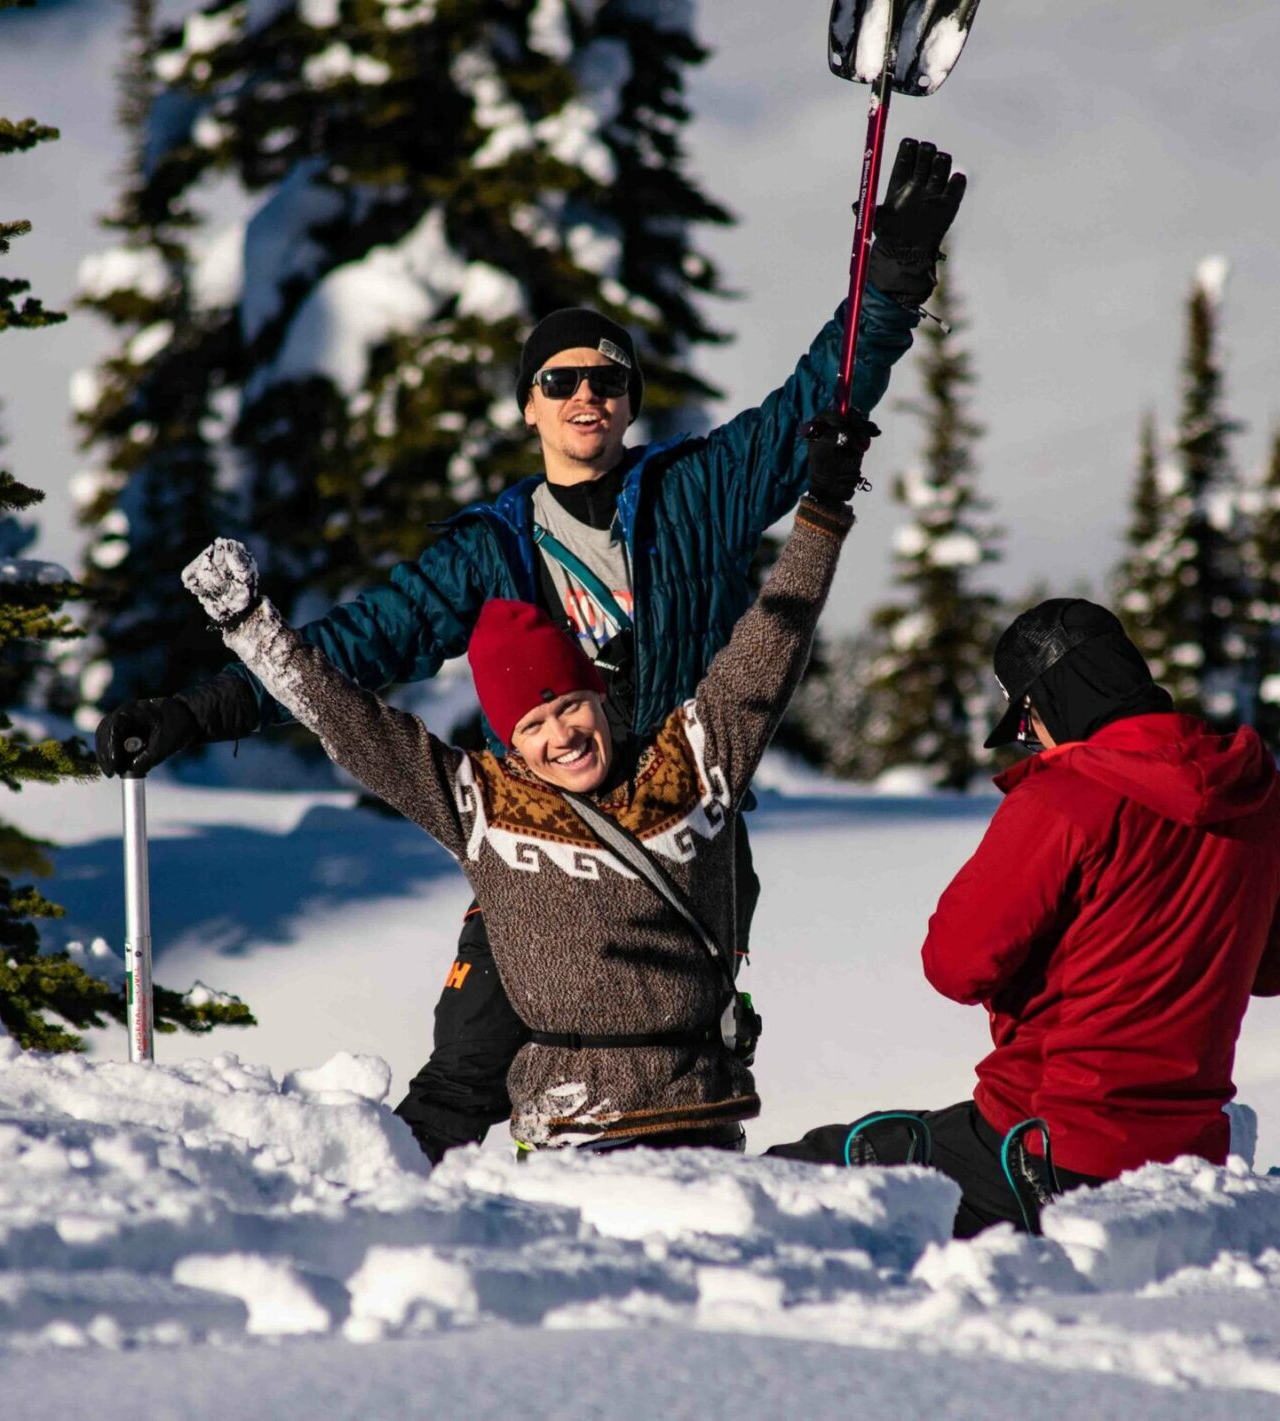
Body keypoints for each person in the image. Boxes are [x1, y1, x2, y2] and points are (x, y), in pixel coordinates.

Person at [94, 137, 965, 1163]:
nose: (585, 395)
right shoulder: (491, 551)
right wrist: (202, 710)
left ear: (628, 400)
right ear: (528, 405)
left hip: (672, 837)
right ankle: (410, 1237)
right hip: (538, 842)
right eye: (560, 379)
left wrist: (892, 280)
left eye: (605, 377)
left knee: (663, 1068)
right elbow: (354, 653)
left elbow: (814, 406)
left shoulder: (692, 493)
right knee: (465, 1067)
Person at [179, 411, 875, 1151]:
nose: (562, 735)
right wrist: (252, 629)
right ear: (509, 742)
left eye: (570, 705)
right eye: (534, 726)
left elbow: (773, 638)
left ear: (599, 696)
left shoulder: (693, 760)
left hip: (694, 1124)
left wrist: (823, 515)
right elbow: (353, 724)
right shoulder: (482, 800)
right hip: (569, 1138)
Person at [767, 599, 1280, 1236]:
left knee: (789, 1180)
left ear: (1052, 700)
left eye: (1026, 720)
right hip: (1187, 1159)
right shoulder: (1271, 800)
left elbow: (955, 965)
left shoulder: (1065, 800)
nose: (1031, 739)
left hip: (1041, 1150)